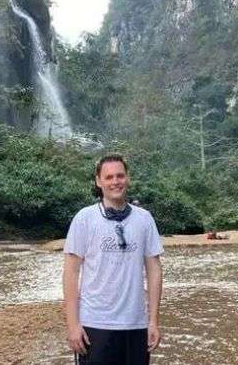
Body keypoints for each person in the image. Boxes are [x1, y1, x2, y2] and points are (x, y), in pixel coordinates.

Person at [63, 154, 164, 364]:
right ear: (98, 181)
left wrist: (153, 321)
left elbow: (154, 270)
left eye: (120, 176)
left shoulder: (144, 219)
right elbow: (71, 273)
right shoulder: (84, 218)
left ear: (128, 178)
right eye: (109, 177)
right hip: (95, 324)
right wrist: (73, 325)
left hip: (136, 324)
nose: (115, 182)